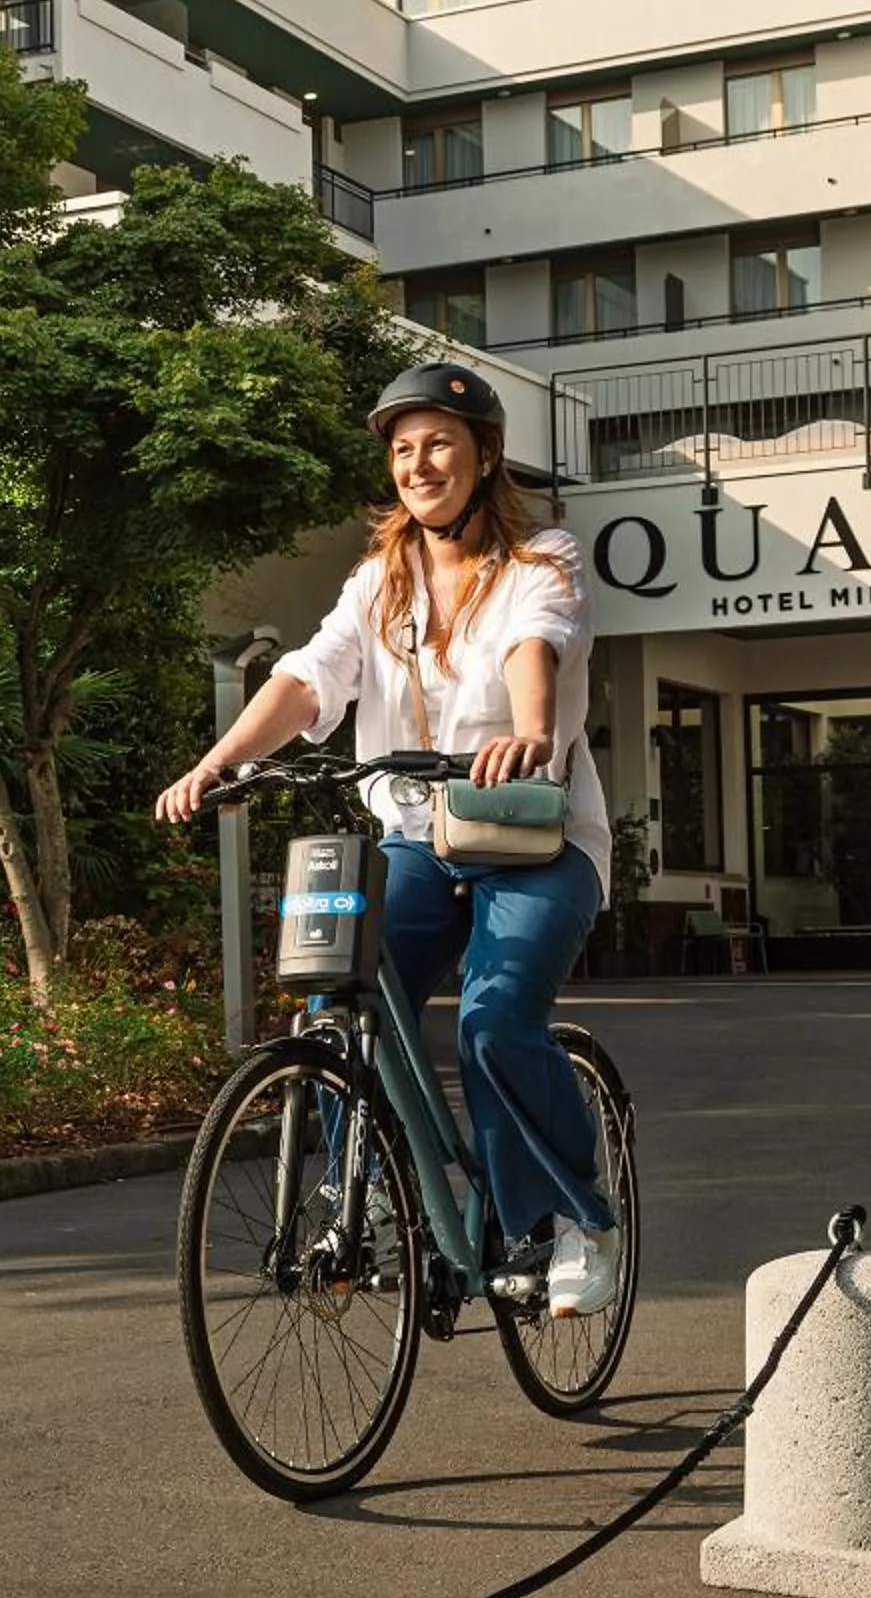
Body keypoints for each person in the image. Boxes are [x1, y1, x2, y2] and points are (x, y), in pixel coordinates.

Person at [155, 362, 621, 1315]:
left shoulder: (546, 560)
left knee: (494, 1021)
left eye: (441, 444)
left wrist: (530, 731)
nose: (420, 464)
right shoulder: (380, 581)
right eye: (403, 450)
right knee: (343, 1005)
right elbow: (309, 677)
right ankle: (388, 1185)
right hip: (417, 838)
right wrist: (219, 762)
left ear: (485, 457)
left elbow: (540, 642)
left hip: (536, 840)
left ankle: (571, 1224)